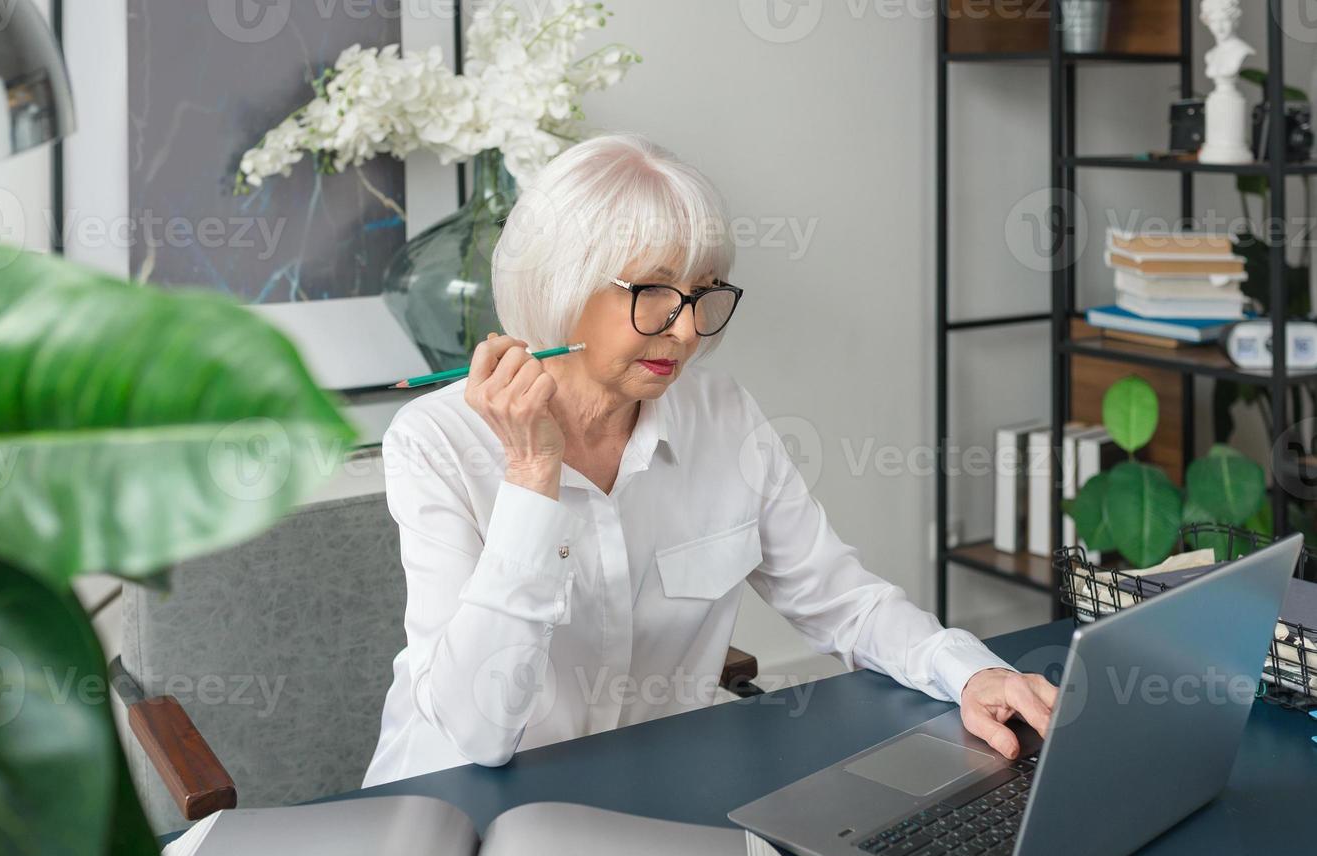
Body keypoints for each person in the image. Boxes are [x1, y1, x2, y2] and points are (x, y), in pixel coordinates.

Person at [363, 133, 1057, 787]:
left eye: (702, 293)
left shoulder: (723, 416)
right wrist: (530, 475)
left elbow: (842, 600)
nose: (688, 328)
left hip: (644, 800)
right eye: (655, 293)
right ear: (560, 283)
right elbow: (479, 734)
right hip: (454, 806)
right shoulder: (434, 440)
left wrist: (969, 675)